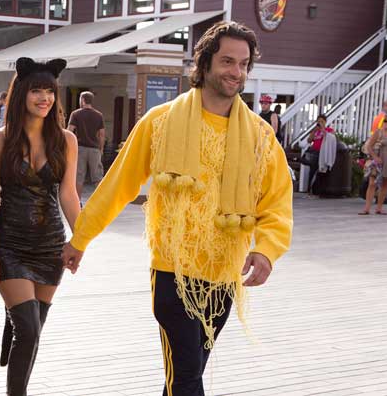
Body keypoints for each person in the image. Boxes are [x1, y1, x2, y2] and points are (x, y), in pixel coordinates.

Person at [62, 21, 293, 395]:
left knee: (186, 374)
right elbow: (118, 185)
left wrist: (266, 249)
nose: (236, 71)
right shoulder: (160, 121)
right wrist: (80, 238)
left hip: (224, 273)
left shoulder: (260, 135)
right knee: (186, 376)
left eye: (243, 64)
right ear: (205, 63)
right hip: (173, 272)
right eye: (227, 61)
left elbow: (277, 200)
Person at [0, 57, 80, 395]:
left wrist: (80, 240)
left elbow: (68, 194)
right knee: (28, 329)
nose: (44, 98)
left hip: (50, 247)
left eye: (50, 91)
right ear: (22, 93)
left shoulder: (66, 140)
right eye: (37, 90)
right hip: (9, 245)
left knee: (33, 331)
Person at [67, 91, 105, 199]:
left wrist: (68, 148)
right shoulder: (99, 115)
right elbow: (102, 134)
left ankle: (77, 202)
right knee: (97, 177)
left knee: (79, 177)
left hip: (80, 149)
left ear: (83, 100)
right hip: (94, 150)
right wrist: (101, 149)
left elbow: (69, 131)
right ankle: (100, 201)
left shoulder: (75, 114)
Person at [360, 114, 387, 215]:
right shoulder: (378, 132)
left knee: (385, 184)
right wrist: (375, 157)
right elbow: (369, 146)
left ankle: (379, 208)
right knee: (372, 183)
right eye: (385, 121)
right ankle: (366, 209)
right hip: (377, 160)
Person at [305, 114, 333, 194]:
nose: (320, 123)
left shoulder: (329, 130)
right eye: (318, 121)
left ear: (325, 122)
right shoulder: (316, 131)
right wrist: (314, 131)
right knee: (312, 171)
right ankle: (309, 189)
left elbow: (331, 138)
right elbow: (309, 140)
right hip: (315, 153)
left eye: (322, 121)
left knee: (322, 172)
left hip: (323, 153)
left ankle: (319, 189)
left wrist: (323, 129)